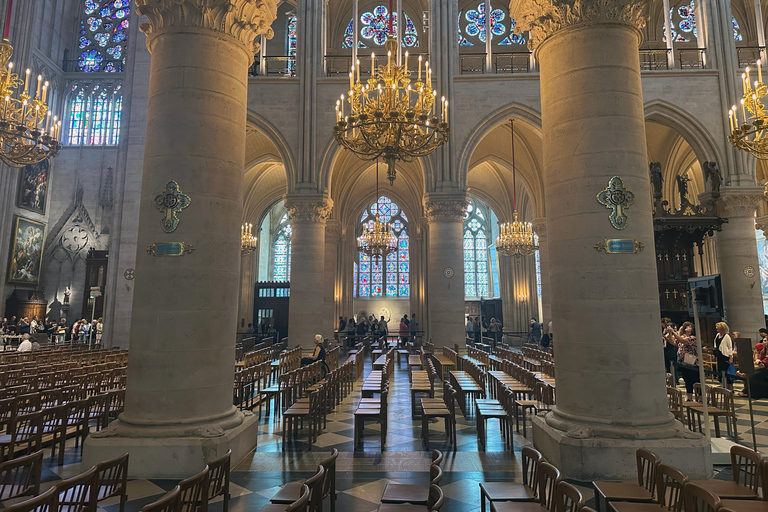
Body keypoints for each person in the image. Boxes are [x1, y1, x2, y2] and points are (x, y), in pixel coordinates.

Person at [669, 321, 699, 402]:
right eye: (686, 326)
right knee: (687, 380)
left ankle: (699, 397)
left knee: (695, 380)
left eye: (689, 326)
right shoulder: (682, 336)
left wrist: (673, 332)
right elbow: (674, 342)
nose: (687, 327)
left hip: (692, 362)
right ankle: (689, 397)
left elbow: (683, 340)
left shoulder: (693, 338)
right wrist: (669, 334)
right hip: (683, 362)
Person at [713, 321, 734, 390]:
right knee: (721, 372)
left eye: (718, 327)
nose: (717, 328)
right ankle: (724, 386)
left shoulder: (727, 336)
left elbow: (730, 347)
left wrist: (731, 357)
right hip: (719, 355)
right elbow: (715, 344)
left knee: (727, 373)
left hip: (725, 355)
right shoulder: (717, 335)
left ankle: (730, 388)